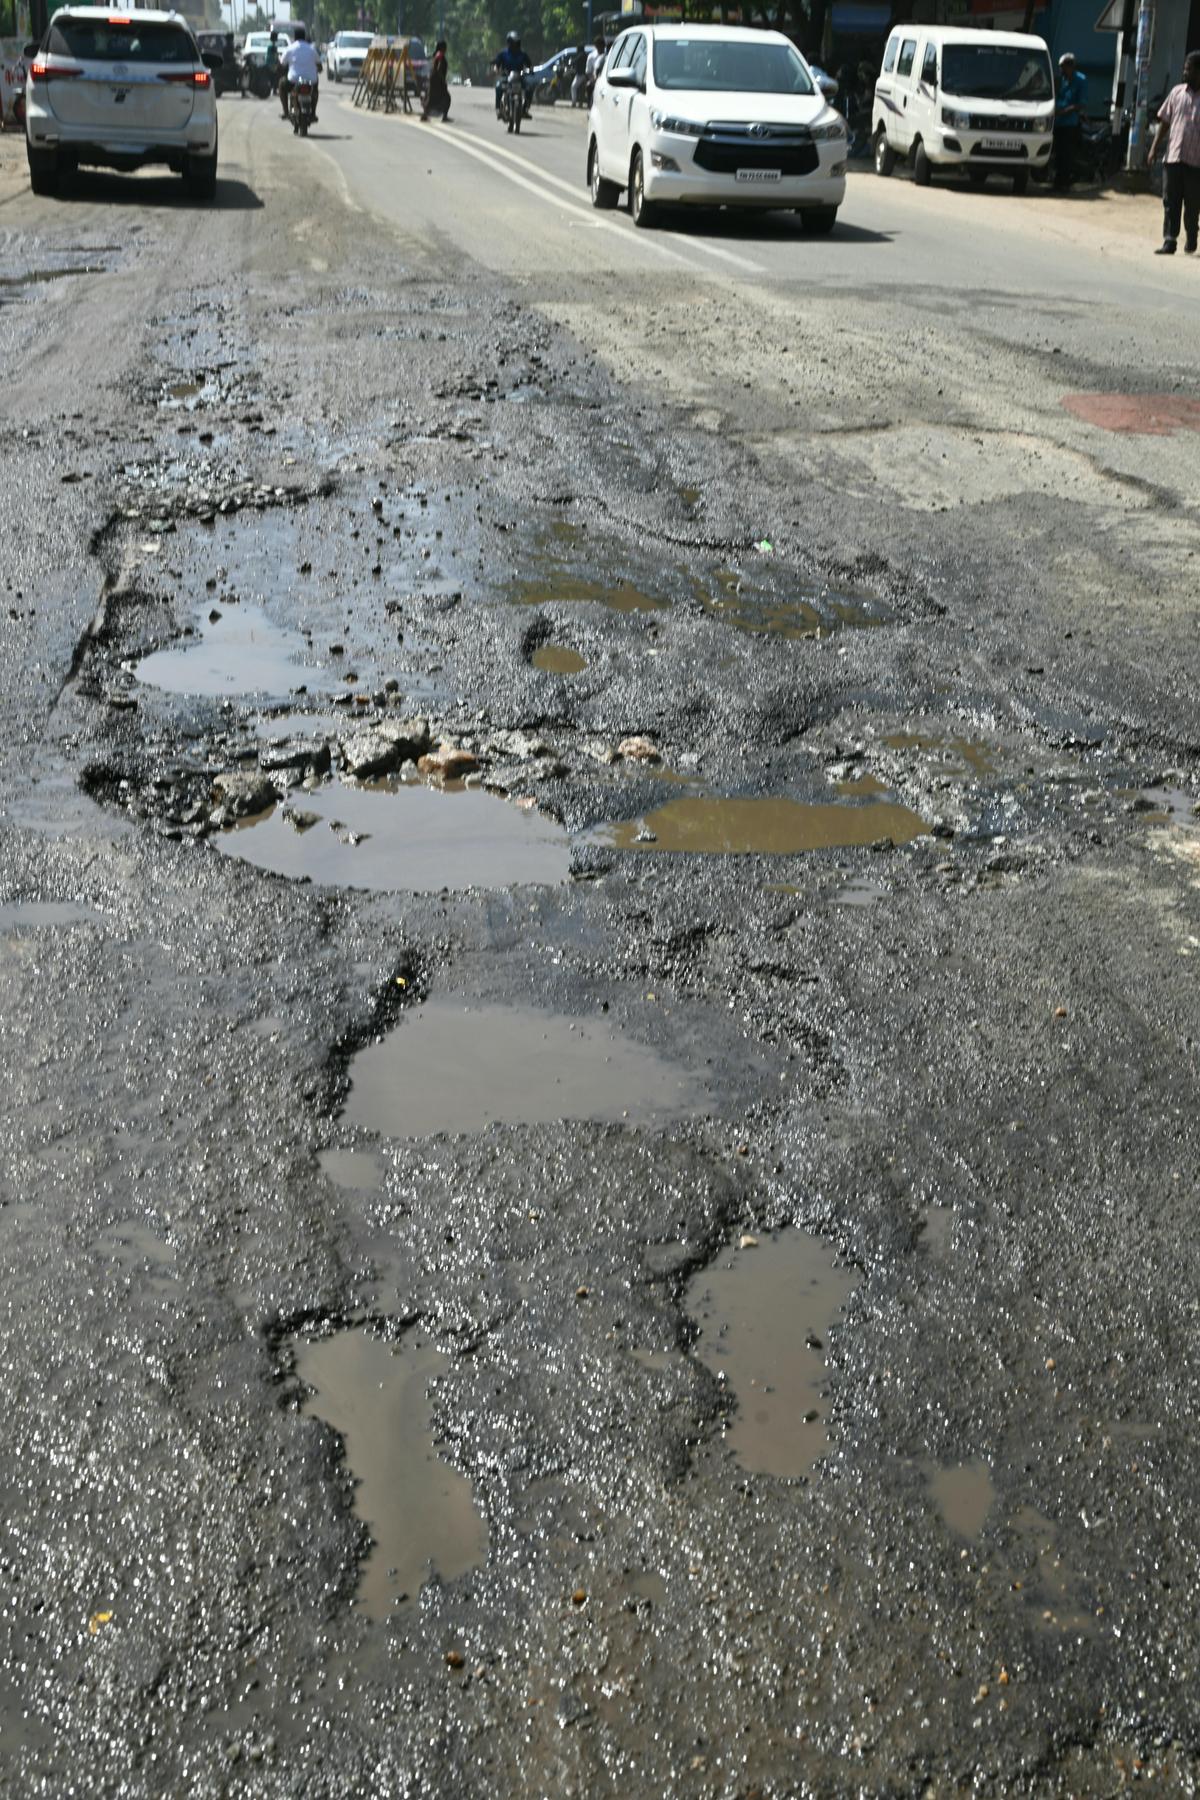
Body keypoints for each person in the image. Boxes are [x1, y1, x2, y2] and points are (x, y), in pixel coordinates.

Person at [1148, 49, 1200, 254]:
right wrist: (1153, 148)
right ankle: (1170, 240)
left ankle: (1192, 235)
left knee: (1193, 206)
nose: (1185, 72)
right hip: (1173, 157)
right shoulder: (1176, 93)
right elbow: (1165, 122)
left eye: (1189, 69)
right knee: (1170, 201)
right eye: (1185, 68)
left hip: (1196, 163)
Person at [1053, 52, 1087, 191]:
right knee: (1058, 154)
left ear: (1071, 66)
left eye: (1063, 67)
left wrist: (1064, 111)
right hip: (1057, 122)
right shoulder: (1061, 79)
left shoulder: (1081, 80)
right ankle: (1057, 182)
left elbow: (1081, 104)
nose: (1061, 70)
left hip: (1070, 123)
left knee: (1067, 155)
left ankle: (1065, 184)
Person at [280, 23, 320, 122]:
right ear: (304, 37)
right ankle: (313, 113)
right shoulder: (311, 49)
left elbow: (282, 63)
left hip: (293, 80)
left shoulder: (290, 48)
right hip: (311, 80)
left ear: (295, 37)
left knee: (281, 84)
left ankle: (285, 112)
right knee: (315, 91)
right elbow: (319, 65)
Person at [493, 31, 531, 113]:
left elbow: (529, 65)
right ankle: (498, 108)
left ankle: (525, 108)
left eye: (516, 42)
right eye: (513, 43)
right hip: (506, 77)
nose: (515, 45)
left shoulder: (522, 54)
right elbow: (497, 64)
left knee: (529, 89)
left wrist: (530, 70)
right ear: (509, 43)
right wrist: (496, 70)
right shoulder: (503, 53)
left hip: (519, 77)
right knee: (498, 87)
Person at [421, 38, 450, 121]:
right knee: (447, 98)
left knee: (432, 99)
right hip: (438, 81)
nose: (446, 49)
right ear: (442, 47)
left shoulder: (437, 54)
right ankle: (444, 117)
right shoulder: (440, 55)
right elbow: (439, 68)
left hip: (433, 80)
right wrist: (443, 80)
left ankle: (425, 115)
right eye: (445, 47)